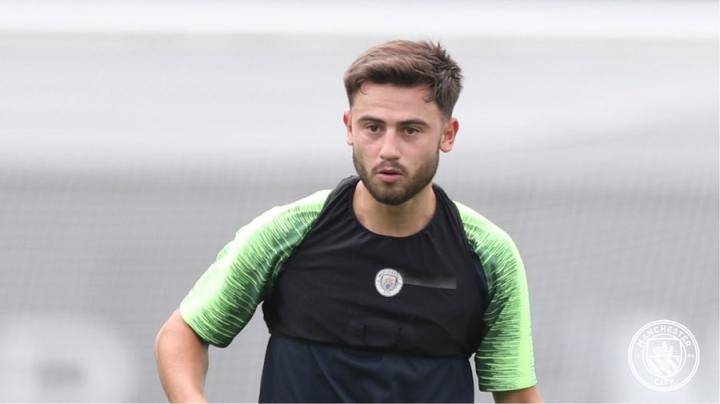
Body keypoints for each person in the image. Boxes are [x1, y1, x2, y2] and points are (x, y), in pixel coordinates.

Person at [155, 39, 542, 403]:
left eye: (410, 130)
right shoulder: (287, 232)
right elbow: (180, 336)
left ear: (448, 134)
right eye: (373, 127)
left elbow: (517, 396)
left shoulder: (488, 253)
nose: (388, 149)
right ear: (349, 127)